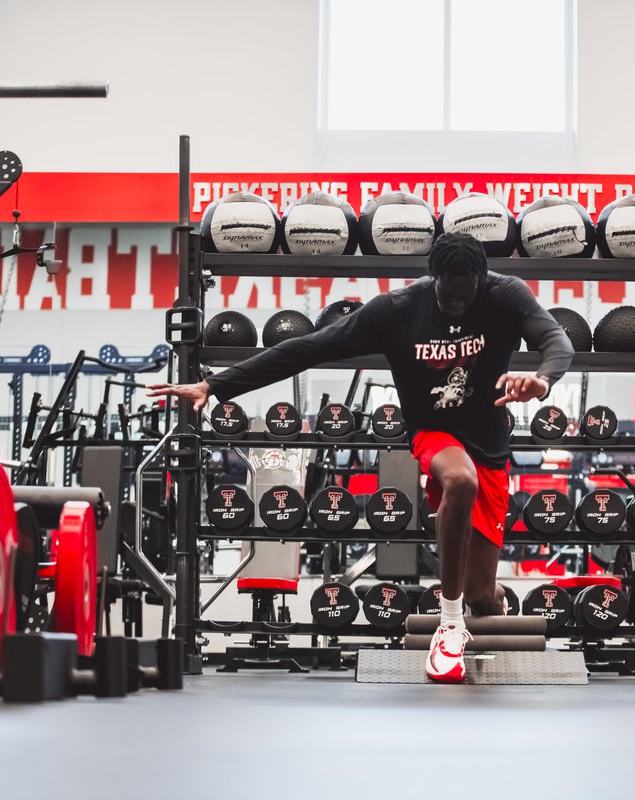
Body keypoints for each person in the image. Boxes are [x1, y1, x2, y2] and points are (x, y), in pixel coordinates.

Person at [147, 231, 573, 682]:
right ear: (433, 279)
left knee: (482, 598)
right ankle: (449, 626)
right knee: (459, 481)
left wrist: (543, 379)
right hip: (434, 433)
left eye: (466, 296)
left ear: (481, 281)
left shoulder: (506, 295)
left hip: (490, 445)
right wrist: (216, 385)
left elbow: (556, 340)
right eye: (448, 295)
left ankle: (483, 598)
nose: (456, 305)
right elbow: (306, 349)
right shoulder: (397, 311)